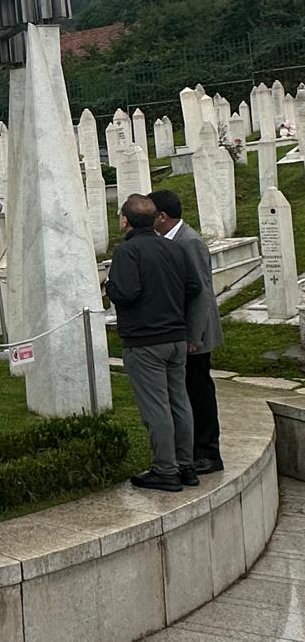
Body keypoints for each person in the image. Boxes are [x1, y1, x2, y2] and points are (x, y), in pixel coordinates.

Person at [105, 193, 202, 492]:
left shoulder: (127, 252)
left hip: (144, 340)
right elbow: (194, 286)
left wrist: (109, 286)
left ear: (125, 220)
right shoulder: (174, 248)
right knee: (179, 402)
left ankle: (165, 469)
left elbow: (125, 293)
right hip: (175, 337)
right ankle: (186, 465)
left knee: (156, 407)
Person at [150, 187, 224, 473]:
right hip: (182, 330)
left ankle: (208, 452)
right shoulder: (170, 240)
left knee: (199, 390)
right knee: (187, 391)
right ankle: (191, 448)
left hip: (197, 333)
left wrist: (193, 335)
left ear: (162, 216)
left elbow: (201, 292)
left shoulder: (188, 241)